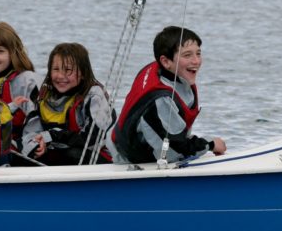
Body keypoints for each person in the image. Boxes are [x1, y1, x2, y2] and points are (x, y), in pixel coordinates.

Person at [109, 26, 226, 164]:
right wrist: (210, 144)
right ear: (165, 61)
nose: (196, 61)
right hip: (131, 158)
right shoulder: (162, 99)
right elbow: (173, 152)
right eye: (187, 55)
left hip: (124, 139)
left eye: (198, 53)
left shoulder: (159, 70)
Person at [22, 43, 116, 165]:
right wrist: (37, 145)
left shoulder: (95, 96)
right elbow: (30, 132)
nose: (61, 76)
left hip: (96, 156)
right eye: (56, 69)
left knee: (72, 155)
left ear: (82, 73)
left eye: (68, 70)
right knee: (24, 154)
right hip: (59, 152)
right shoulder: (42, 97)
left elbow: (94, 138)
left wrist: (53, 136)